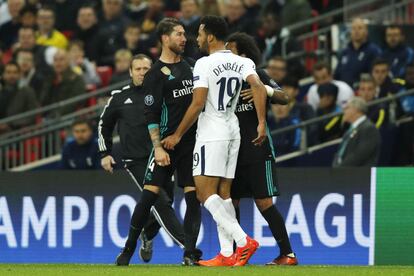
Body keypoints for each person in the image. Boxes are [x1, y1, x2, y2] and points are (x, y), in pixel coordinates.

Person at [162, 15, 267, 267]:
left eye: (198, 34)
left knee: (203, 192)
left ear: (209, 36)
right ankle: (226, 253)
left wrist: (177, 134)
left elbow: (198, 103)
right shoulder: (242, 62)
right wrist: (262, 121)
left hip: (212, 131)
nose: (195, 38)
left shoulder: (204, 64)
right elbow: (259, 86)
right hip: (233, 130)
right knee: (224, 193)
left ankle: (243, 242)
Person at [114, 18, 202, 266]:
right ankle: (128, 250)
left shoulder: (192, 67)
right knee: (149, 197)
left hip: (190, 144)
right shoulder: (154, 75)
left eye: (185, 34)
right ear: (165, 38)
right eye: (179, 34)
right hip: (166, 143)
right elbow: (151, 115)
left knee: (192, 197)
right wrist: (158, 147)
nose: (184, 39)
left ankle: (189, 254)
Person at [98, 54, 186, 264]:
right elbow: (104, 124)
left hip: (163, 156)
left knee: (163, 203)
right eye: (137, 69)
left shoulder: (162, 94)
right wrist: (105, 153)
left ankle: (145, 236)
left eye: (146, 69)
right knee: (161, 203)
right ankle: (188, 247)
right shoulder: (119, 97)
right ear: (130, 72)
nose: (142, 73)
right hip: (136, 160)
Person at [225, 32, 298, 265]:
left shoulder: (257, 75)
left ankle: (288, 253)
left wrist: (264, 90)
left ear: (244, 55)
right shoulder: (223, 80)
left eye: (231, 50)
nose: (226, 54)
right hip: (232, 151)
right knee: (231, 202)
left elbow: (284, 98)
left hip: (258, 149)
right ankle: (238, 254)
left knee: (264, 202)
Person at [332, 97, 381, 167]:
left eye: (347, 108)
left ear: (356, 110)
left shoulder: (369, 129)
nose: (344, 111)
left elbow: (360, 155)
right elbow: (339, 153)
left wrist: (341, 168)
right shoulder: (349, 131)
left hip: (361, 175)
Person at [334, 18, 381, 88]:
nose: (356, 31)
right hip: (343, 91)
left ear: (366, 31)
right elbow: (337, 73)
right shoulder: (345, 52)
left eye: (360, 28)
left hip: (363, 91)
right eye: (353, 28)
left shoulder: (373, 51)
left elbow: (376, 74)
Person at [39, 49, 86, 117]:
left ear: (68, 61)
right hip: (48, 116)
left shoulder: (76, 78)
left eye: (61, 59)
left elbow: (76, 101)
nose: (58, 63)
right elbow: (43, 100)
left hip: (69, 116)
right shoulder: (49, 78)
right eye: (55, 60)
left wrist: (58, 115)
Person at [0, 62, 39, 134]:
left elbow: (33, 113)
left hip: (19, 133)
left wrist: (10, 124)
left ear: (19, 75)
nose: (12, 76)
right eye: (8, 72)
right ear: (3, 75)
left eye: (15, 72)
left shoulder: (27, 91)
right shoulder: (1, 93)